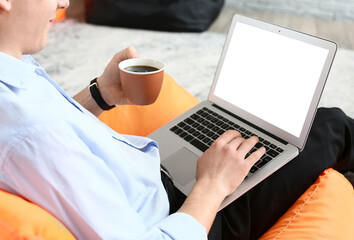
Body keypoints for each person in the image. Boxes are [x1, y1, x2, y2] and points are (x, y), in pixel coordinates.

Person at [0, 0, 353, 239]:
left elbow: (56, 129)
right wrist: (212, 184)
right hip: (190, 215)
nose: (63, 2)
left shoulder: (12, 78)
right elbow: (43, 139)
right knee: (332, 126)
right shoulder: (32, 134)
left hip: (158, 176)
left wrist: (99, 95)